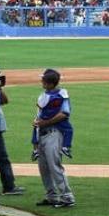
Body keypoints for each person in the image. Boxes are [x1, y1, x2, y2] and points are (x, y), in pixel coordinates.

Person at [33, 69, 75, 208]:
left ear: (50, 83)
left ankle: (67, 197)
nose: (41, 82)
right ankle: (51, 196)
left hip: (54, 133)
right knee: (43, 167)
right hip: (42, 134)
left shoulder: (62, 95)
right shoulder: (43, 95)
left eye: (44, 80)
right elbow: (39, 114)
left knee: (55, 166)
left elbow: (64, 114)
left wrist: (45, 122)